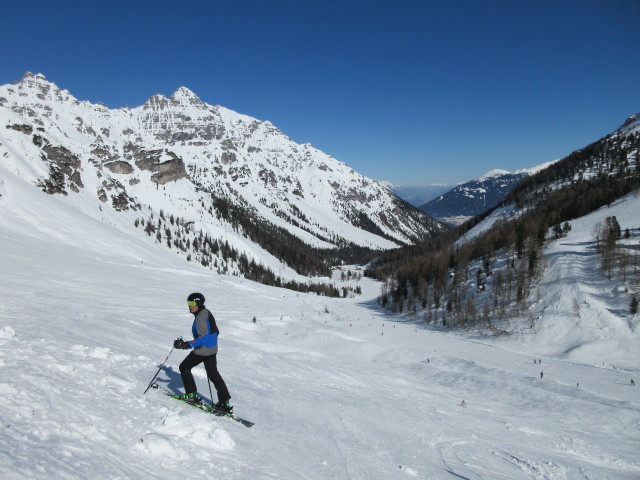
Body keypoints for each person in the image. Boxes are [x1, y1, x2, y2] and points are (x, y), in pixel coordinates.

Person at [173, 292, 232, 412]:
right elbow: (215, 331)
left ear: (199, 303)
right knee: (213, 375)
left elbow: (203, 339)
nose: (190, 306)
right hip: (212, 349)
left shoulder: (200, 317)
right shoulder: (206, 313)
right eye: (189, 303)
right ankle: (224, 402)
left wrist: (186, 344)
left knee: (184, 367)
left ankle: (191, 395)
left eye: (193, 303)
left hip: (203, 350)